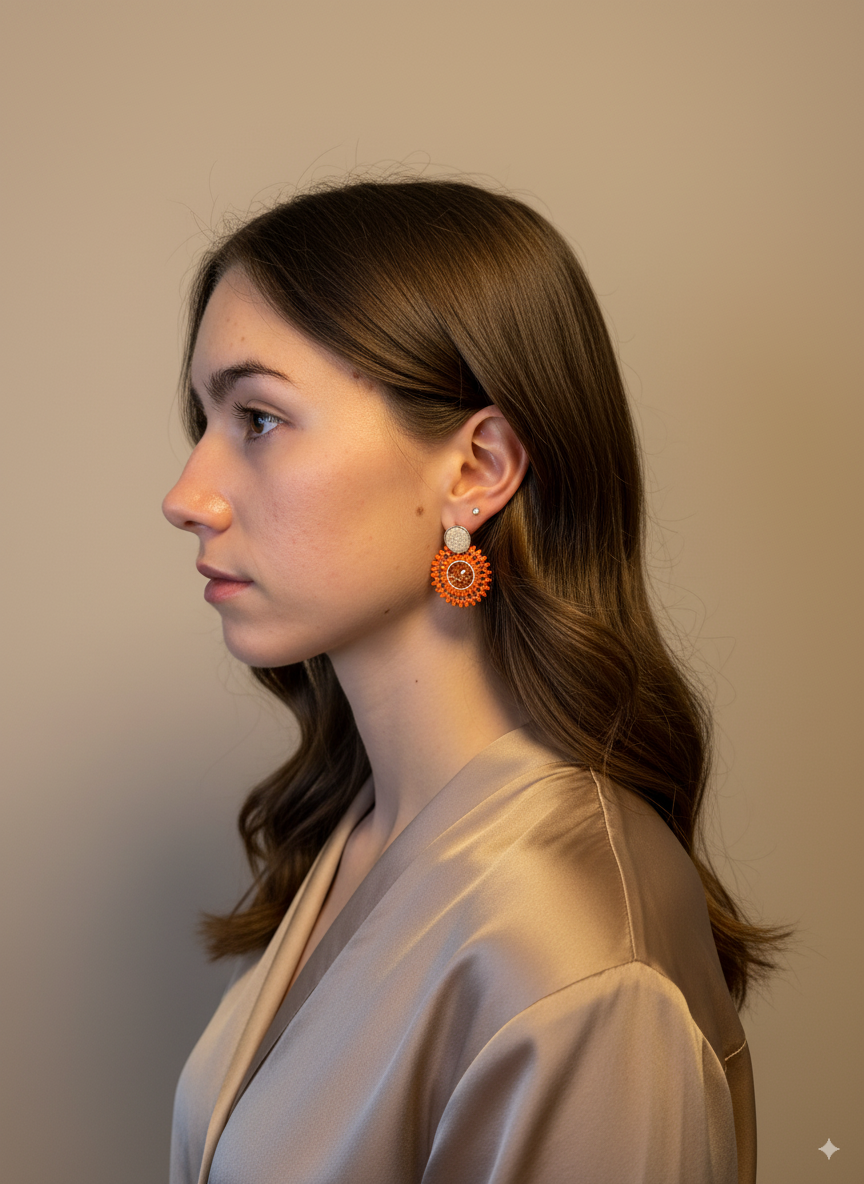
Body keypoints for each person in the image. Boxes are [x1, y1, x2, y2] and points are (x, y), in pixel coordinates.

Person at [162, 176, 783, 1183]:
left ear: (475, 467)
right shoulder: (366, 829)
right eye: (202, 419)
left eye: (260, 419)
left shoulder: (568, 953)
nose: (187, 494)